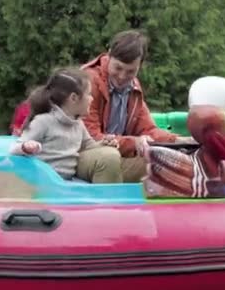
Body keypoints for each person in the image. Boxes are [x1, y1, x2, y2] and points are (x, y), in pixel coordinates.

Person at [81, 29, 195, 182]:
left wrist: (178, 141)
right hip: (85, 154)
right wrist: (134, 143)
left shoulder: (133, 87)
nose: (122, 77)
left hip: (114, 154)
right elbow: (91, 138)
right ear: (109, 55)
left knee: (172, 160)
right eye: (118, 68)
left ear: (140, 66)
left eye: (130, 71)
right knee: (111, 157)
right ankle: (107, 205)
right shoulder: (88, 81)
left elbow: (148, 129)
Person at [10, 68, 122, 183]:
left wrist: (103, 143)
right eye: (89, 94)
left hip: (67, 182)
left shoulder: (78, 123)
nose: (92, 99)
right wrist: (26, 147)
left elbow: (87, 146)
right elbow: (14, 149)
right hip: (44, 183)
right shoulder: (43, 121)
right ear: (73, 98)